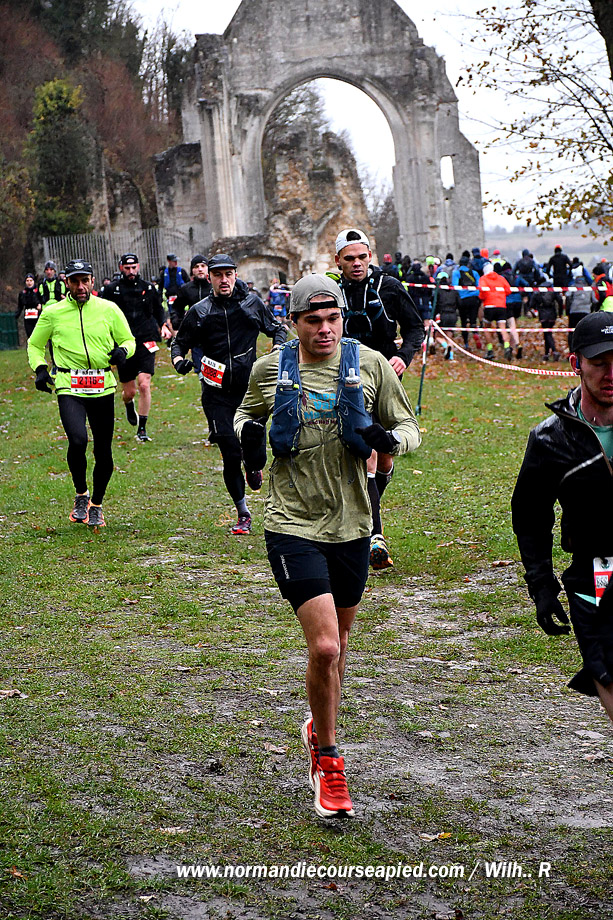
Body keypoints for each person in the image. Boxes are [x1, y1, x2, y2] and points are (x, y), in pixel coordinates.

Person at [234, 273, 421, 818]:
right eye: (312, 320)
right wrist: (248, 437)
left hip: (353, 525)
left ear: (343, 318)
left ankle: (319, 722)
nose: (324, 329)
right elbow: (246, 413)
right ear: (294, 322)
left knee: (339, 647)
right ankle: (329, 760)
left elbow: (409, 427)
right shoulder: (271, 369)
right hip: (291, 522)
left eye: (332, 318)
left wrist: (390, 441)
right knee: (325, 648)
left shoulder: (371, 365)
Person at [512, 311, 613, 726]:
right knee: (607, 670)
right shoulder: (550, 438)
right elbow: (530, 513)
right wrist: (541, 584)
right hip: (596, 572)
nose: (611, 374)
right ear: (576, 364)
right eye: (600, 363)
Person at [329, 228, 424, 571]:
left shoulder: (389, 287)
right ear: (337, 260)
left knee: (383, 458)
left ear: (370, 256)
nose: (356, 263)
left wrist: (403, 356)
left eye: (362, 257)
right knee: (366, 455)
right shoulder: (331, 291)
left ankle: (365, 507)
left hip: (386, 378)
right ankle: (374, 537)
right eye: (349, 258)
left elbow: (415, 328)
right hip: (347, 381)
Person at [171, 253, 287, 535]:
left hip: (250, 391)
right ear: (209, 277)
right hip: (216, 393)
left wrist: (277, 349)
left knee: (254, 452)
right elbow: (179, 343)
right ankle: (243, 512)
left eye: (228, 274)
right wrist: (179, 361)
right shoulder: (199, 311)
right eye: (217, 275)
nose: (224, 280)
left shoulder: (251, 304)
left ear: (235, 275)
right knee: (230, 452)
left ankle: (254, 465)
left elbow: (277, 329)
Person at [27, 259, 135, 528]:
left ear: (92, 281)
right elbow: (34, 345)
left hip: (102, 385)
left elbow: (128, 339)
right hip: (69, 384)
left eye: (84, 280)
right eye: (74, 281)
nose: (80, 286)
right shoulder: (53, 312)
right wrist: (40, 368)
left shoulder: (108, 309)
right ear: (67, 283)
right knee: (77, 440)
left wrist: (123, 351)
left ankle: (96, 504)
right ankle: (81, 494)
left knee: (103, 449)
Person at [101, 253, 164, 442]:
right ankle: (129, 404)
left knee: (144, 384)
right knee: (130, 392)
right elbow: (103, 314)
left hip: (146, 339)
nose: (131, 271)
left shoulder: (148, 288)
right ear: (121, 268)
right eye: (127, 268)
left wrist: (164, 325)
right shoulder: (112, 290)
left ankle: (142, 429)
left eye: (134, 267)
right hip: (123, 343)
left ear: (138, 267)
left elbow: (158, 309)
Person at [169, 254, 211, 333]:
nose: (200, 269)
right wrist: (178, 322)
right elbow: (177, 308)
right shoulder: (186, 289)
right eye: (196, 267)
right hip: (193, 331)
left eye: (203, 266)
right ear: (192, 270)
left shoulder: (214, 287)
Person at [478, 261, 512, 361]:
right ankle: (507, 346)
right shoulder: (501, 278)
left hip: (489, 306)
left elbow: (482, 291)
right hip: (501, 306)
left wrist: (482, 298)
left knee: (487, 328)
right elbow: (508, 290)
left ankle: (490, 350)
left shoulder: (483, 279)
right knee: (502, 328)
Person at [451, 257, 481, 351]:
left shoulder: (456, 273)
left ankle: (466, 344)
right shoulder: (474, 273)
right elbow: (479, 286)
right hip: (473, 299)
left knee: (463, 322)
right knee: (473, 320)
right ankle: (475, 333)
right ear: (468, 264)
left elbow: (455, 286)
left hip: (463, 300)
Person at [15, 274, 42, 339]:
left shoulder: (38, 291)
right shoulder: (23, 293)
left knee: (38, 336)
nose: (29, 282)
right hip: (28, 317)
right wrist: (16, 315)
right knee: (30, 336)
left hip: (37, 316)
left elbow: (43, 301)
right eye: (27, 281)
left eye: (31, 280)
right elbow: (20, 306)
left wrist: (40, 306)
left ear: (33, 281)